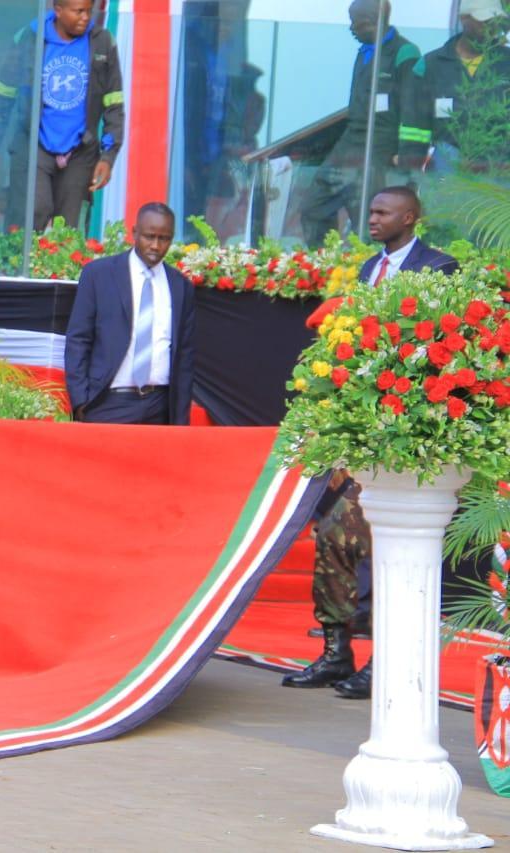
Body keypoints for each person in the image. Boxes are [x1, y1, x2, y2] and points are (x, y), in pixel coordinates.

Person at [284, 185, 456, 700]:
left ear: (410, 216)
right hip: (364, 436)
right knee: (334, 534)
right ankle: (337, 654)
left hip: (408, 440)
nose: (373, 219)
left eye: (382, 212)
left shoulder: (438, 268)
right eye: (372, 211)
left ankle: (388, 661)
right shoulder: (367, 271)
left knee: (391, 547)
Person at [0, 0, 124, 232]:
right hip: (34, 146)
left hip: (80, 150)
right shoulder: (29, 38)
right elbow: (5, 97)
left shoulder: (102, 42)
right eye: (78, 12)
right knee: (33, 212)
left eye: (89, 11)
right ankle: (22, 267)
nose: (86, 17)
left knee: (68, 230)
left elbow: (114, 103)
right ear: (58, 11)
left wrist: (108, 157)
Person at [300, 0, 420, 245]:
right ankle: (322, 260)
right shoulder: (364, 51)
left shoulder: (405, 52)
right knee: (314, 205)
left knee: (368, 213)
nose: (352, 28)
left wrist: (405, 152)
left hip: (382, 140)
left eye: (358, 23)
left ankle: (367, 266)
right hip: (351, 136)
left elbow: (414, 106)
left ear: (376, 22)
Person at [64, 202, 195, 425]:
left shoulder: (180, 286)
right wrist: (80, 400)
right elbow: (78, 340)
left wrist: (180, 419)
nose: (155, 245)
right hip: (108, 402)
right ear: (134, 233)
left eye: (164, 239)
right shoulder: (99, 275)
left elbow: (185, 356)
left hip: (160, 406)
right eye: (149, 236)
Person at [399, 0, 510, 175]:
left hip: (499, 177)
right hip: (447, 176)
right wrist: (408, 179)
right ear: (464, 18)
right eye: (485, 21)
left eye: (496, 22)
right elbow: (414, 130)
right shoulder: (430, 66)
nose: (492, 27)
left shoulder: (507, 63)